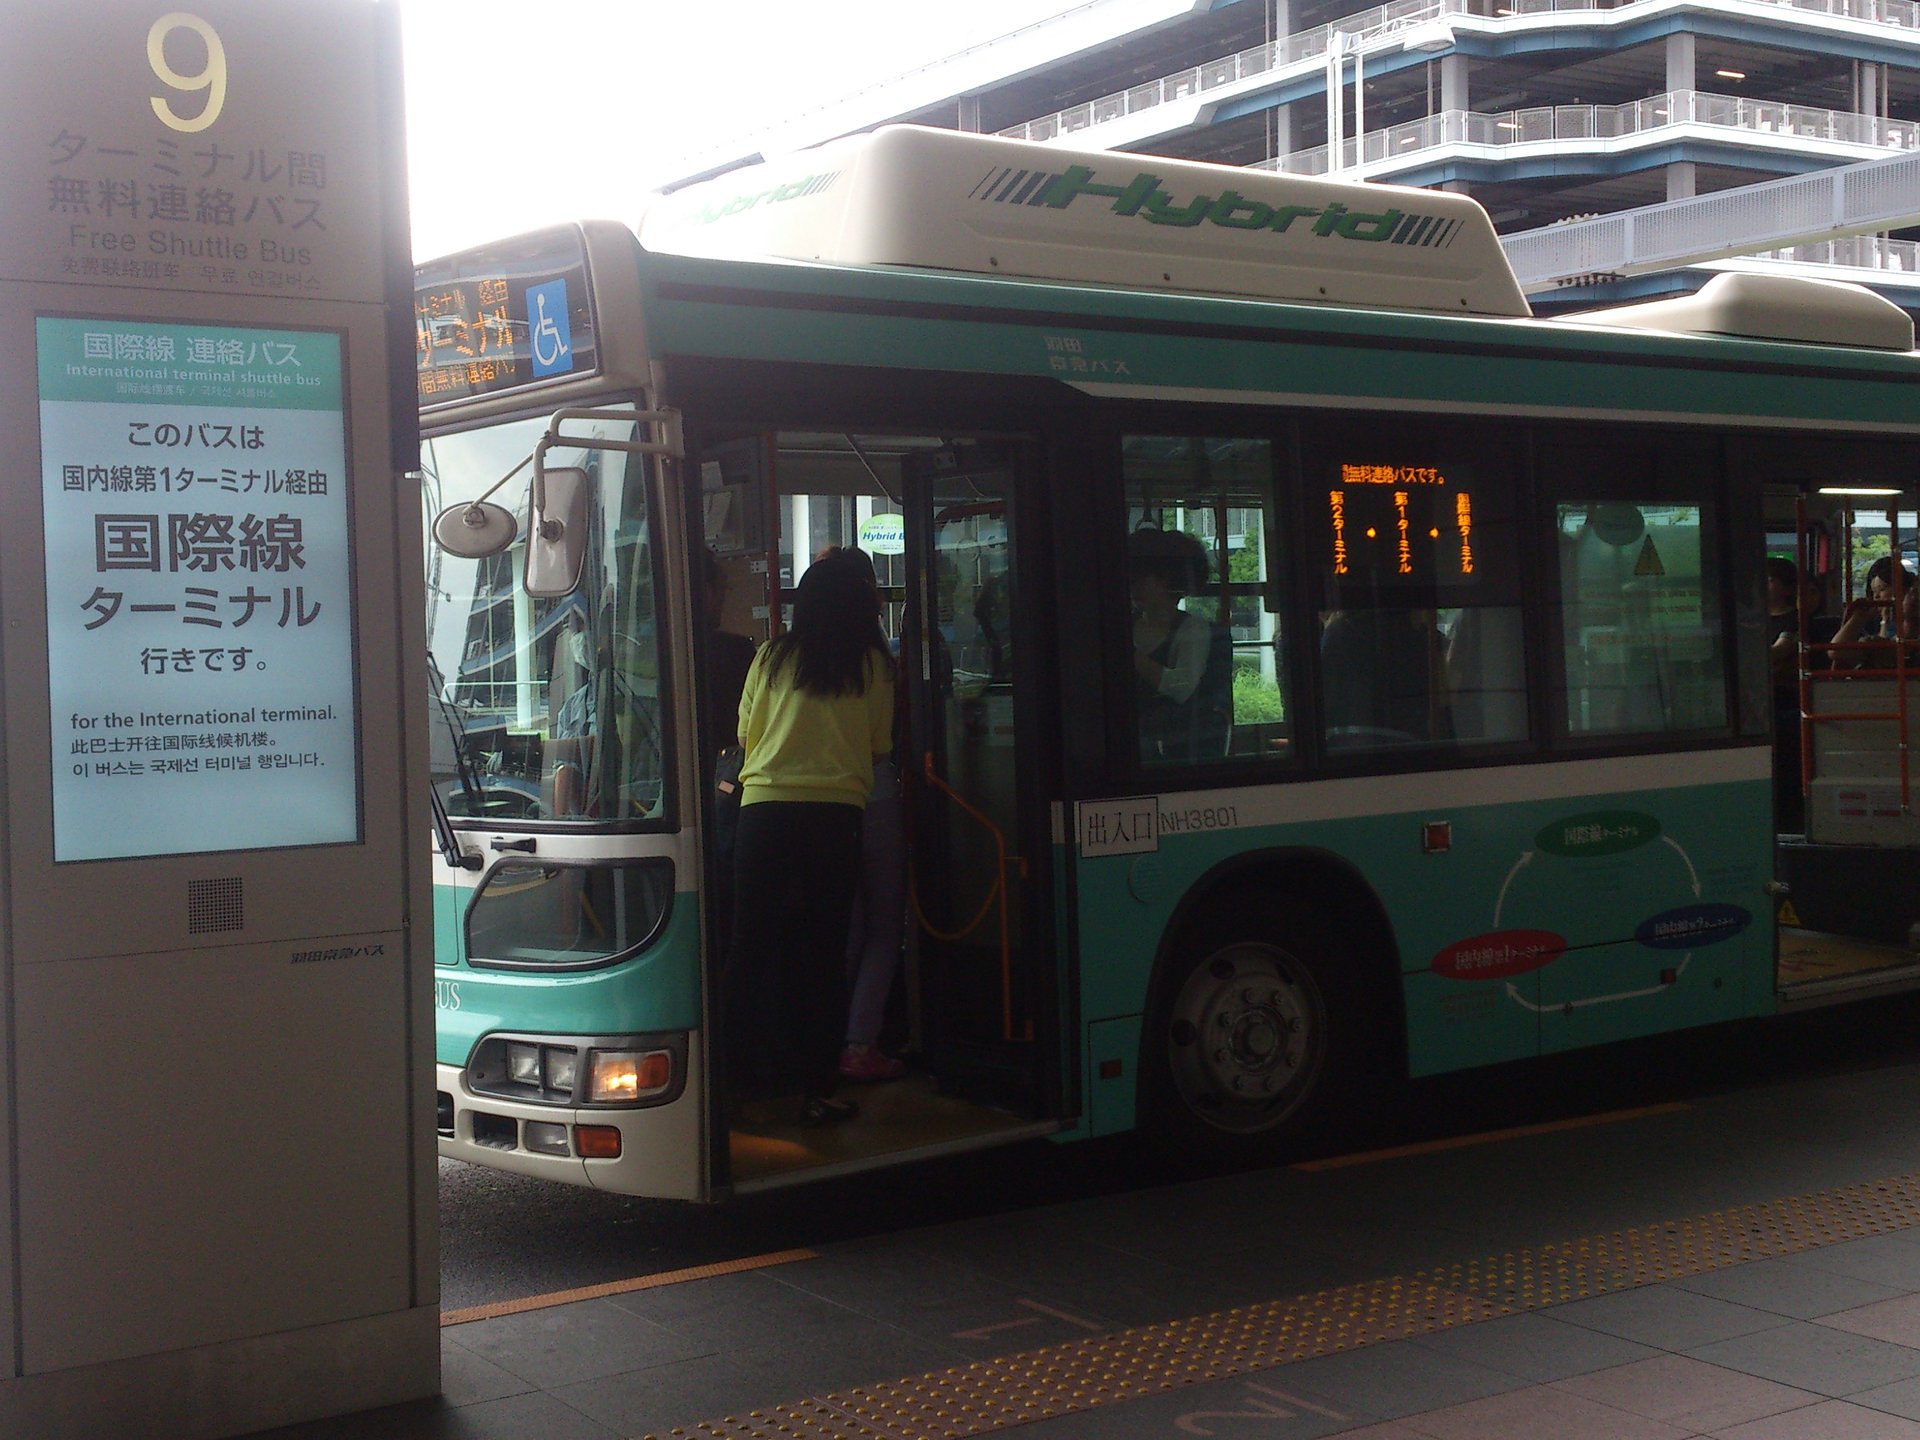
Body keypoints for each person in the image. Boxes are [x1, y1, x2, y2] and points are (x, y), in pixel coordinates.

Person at [726, 553, 893, 1126]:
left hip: (763, 813)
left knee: (748, 949)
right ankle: (817, 1091)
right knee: (822, 956)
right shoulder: (872, 665)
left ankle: (733, 1087)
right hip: (833, 816)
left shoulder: (772, 656)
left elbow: (745, 733)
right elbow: (878, 746)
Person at [817, 546, 910, 1085]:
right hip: (874, 799)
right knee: (882, 928)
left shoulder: (789, 660)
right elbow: (881, 745)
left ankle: (827, 1042)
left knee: (844, 931)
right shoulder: (879, 662)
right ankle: (859, 1043)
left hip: (821, 807)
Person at [1130, 528, 1216, 763]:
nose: (1134, 587)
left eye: (1143, 578)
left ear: (1168, 580)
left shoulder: (1193, 629)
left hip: (1175, 753)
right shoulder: (1127, 623)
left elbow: (1181, 687)